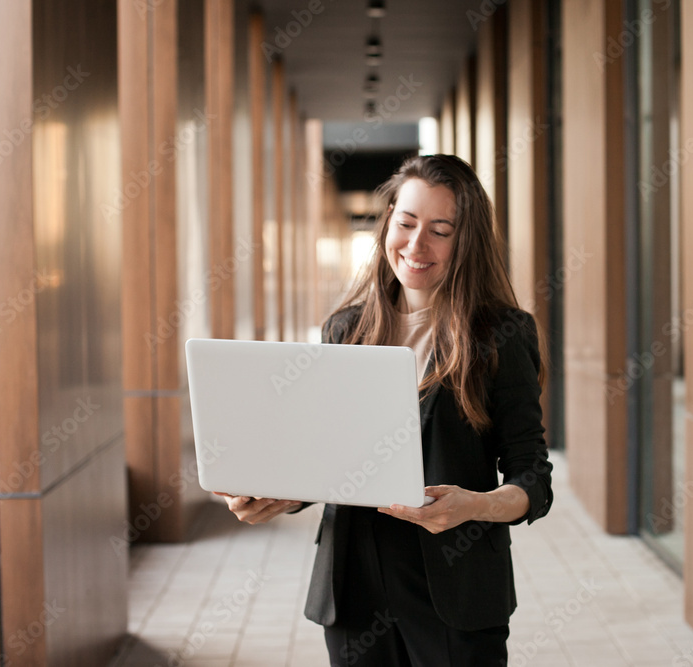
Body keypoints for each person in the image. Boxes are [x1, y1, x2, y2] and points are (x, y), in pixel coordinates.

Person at [218, 154, 553, 666]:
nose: (417, 246)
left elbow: (533, 480)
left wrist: (473, 504)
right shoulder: (345, 330)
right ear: (388, 222)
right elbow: (327, 461)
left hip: (455, 591)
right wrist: (277, 496)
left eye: (441, 230)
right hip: (354, 588)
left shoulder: (501, 334)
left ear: (467, 242)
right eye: (407, 223)